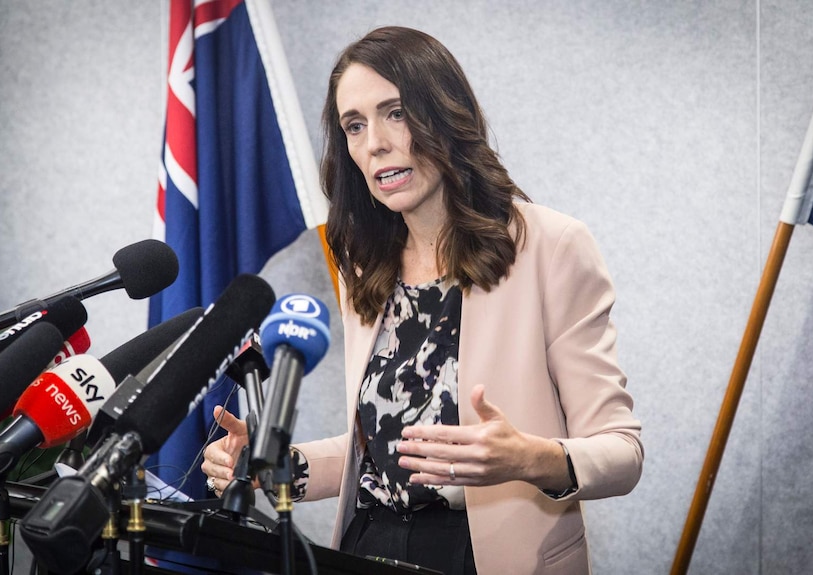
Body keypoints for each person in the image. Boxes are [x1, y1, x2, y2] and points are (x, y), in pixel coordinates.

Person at [202, 26, 643, 575]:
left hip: (486, 556)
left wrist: (529, 458)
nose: (374, 144)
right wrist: (273, 465)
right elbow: (386, 448)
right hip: (366, 545)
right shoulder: (364, 260)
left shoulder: (551, 246)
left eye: (396, 113)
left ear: (445, 115)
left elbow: (623, 453)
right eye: (354, 126)